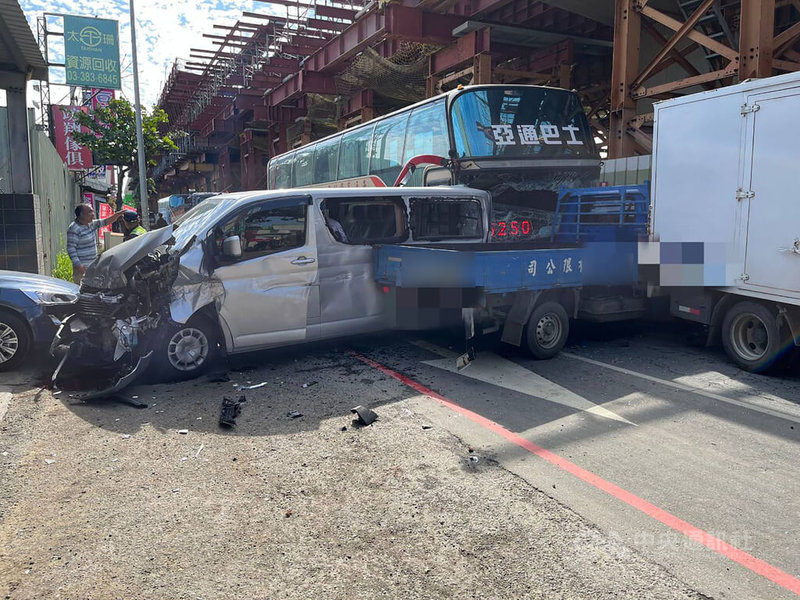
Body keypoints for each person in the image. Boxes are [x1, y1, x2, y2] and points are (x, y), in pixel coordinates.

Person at [67, 204, 124, 284]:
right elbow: (71, 248)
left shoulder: (91, 224)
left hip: (92, 266)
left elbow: (106, 221)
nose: (93, 214)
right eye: (90, 212)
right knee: (80, 290)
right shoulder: (74, 228)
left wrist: (117, 215)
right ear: (82, 215)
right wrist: (78, 265)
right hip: (81, 268)